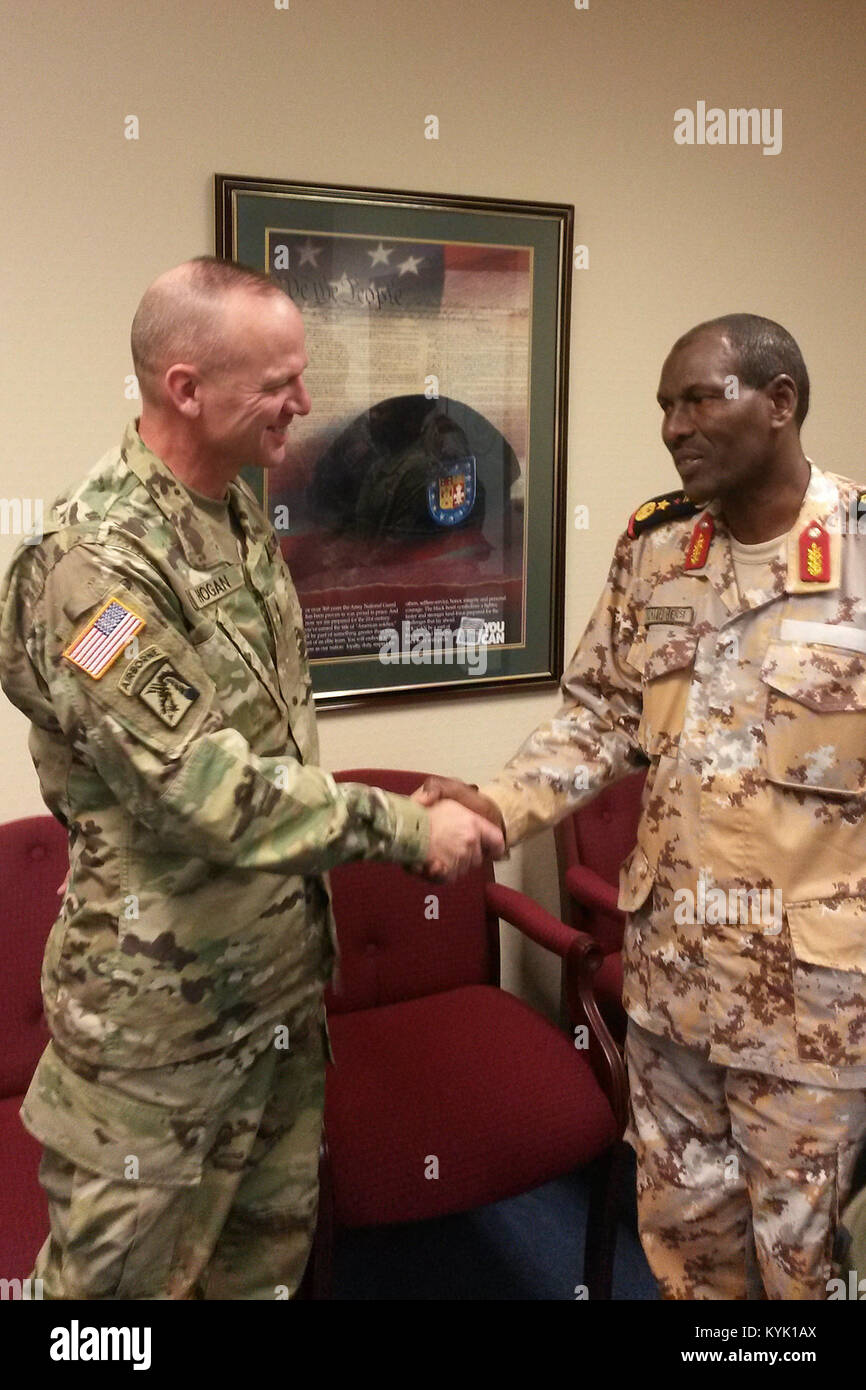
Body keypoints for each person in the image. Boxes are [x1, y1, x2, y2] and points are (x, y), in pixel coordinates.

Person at [0, 256, 503, 1300]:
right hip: (159, 1041)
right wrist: (407, 830)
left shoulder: (232, 515)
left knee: (256, 1278)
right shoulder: (90, 566)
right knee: (111, 1310)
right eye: (278, 383)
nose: (306, 404)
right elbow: (204, 788)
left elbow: (270, 750)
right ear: (185, 387)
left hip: (274, 996)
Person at [416, 313, 866, 1300]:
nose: (673, 425)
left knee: (797, 1264)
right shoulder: (657, 547)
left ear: (780, 401)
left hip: (814, 1009)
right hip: (671, 987)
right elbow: (597, 719)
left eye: (698, 398)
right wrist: (492, 806)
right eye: (664, 405)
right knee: (683, 1245)